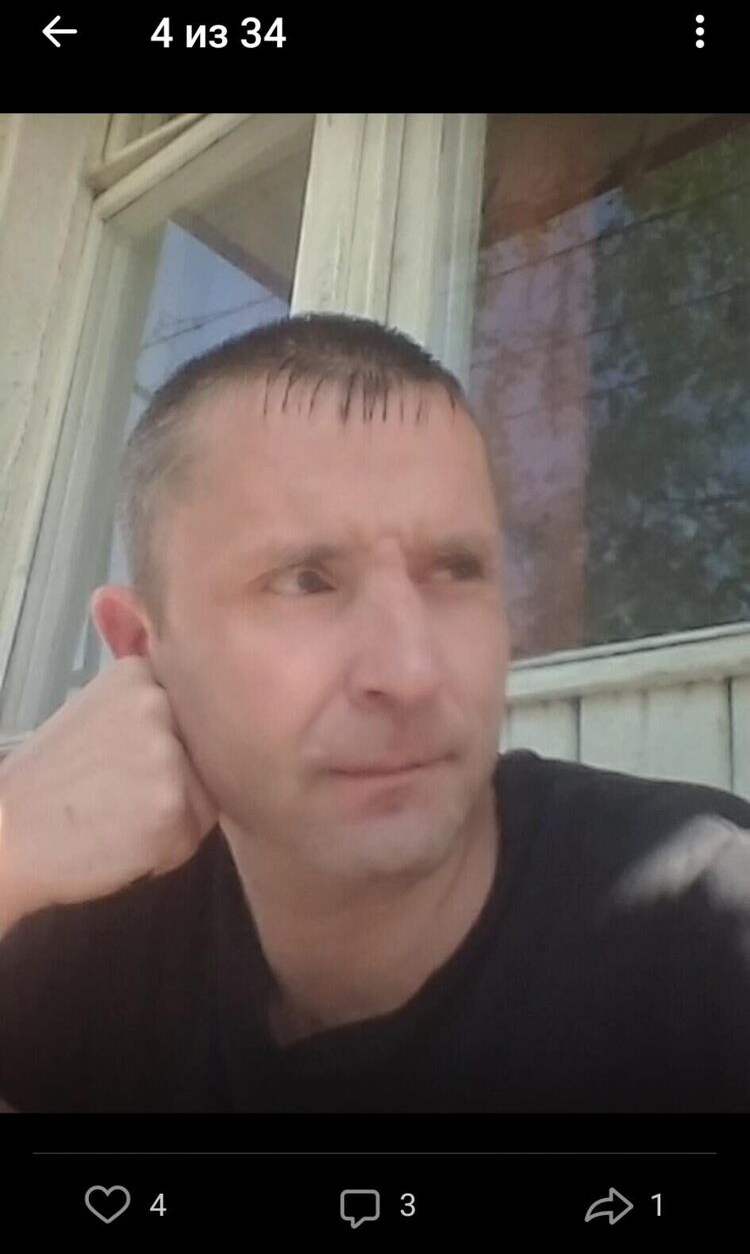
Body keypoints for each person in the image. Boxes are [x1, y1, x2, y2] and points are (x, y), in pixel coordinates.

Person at [0, 312, 748, 1113]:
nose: (411, 672)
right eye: (305, 579)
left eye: (457, 568)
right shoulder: (68, 920)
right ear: (142, 646)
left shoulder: (706, 926)